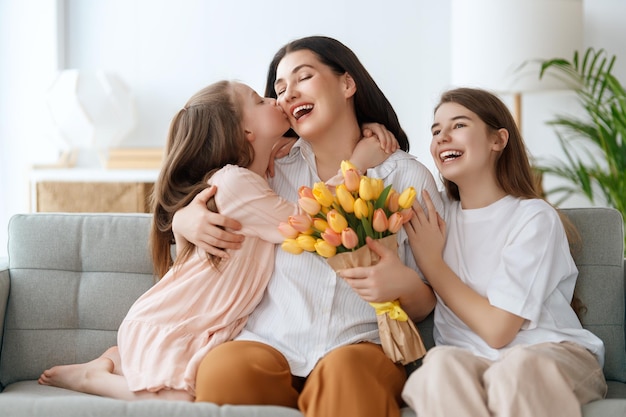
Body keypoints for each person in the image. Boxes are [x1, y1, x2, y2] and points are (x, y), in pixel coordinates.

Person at [37, 80, 392, 401]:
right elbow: (310, 222)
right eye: (259, 99)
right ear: (245, 131)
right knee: (180, 402)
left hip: (205, 322)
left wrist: (363, 126)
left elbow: (323, 135)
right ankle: (91, 378)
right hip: (181, 319)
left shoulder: (262, 171)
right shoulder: (235, 182)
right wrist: (357, 162)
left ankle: (116, 358)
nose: (273, 99)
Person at [173, 36, 442, 417]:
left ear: (347, 84)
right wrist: (184, 219)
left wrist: (404, 285)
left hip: (361, 346)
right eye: (279, 89)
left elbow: (433, 296)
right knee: (224, 371)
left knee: (349, 374)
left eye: (303, 77)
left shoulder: (406, 176)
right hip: (266, 343)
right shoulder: (266, 171)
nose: (288, 94)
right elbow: (191, 174)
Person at [399, 87, 607, 417]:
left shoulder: (534, 217)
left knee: (517, 371)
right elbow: (387, 173)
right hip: (468, 359)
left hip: (546, 353)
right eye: (436, 130)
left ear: (498, 140)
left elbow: (498, 331)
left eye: (459, 125)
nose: (442, 137)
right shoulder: (436, 217)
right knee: (436, 368)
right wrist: (372, 141)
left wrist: (432, 263)